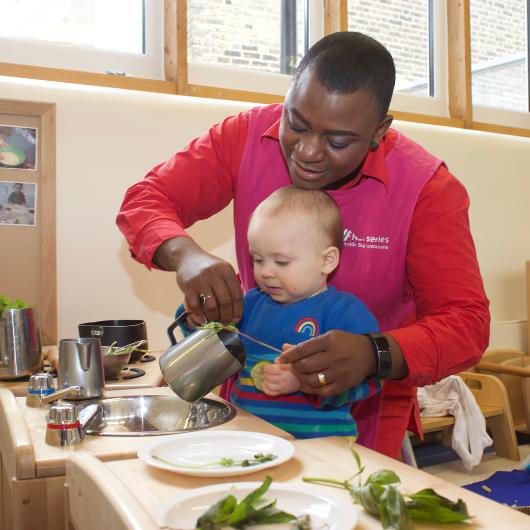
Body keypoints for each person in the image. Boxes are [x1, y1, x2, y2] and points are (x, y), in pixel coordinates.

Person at [117, 31, 490, 459]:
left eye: (337, 142)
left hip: (362, 419)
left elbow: (466, 322)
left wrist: (374, 353)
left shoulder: (428, 190)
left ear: (378, 132)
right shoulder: (245, 137)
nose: (308, 152)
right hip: (249, 407)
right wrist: (184, 254)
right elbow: (146, 200)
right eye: (296, 123)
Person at [177, 186, 382, 440]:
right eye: (257, 259)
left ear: (327, 260)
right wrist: (197, 317)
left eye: (281, 262)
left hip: (319, 449)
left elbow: (370, 383)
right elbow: (208, 348)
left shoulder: (345, 314)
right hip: (248, 440)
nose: (265, 272)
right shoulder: (250, 304)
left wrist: (305, 383)